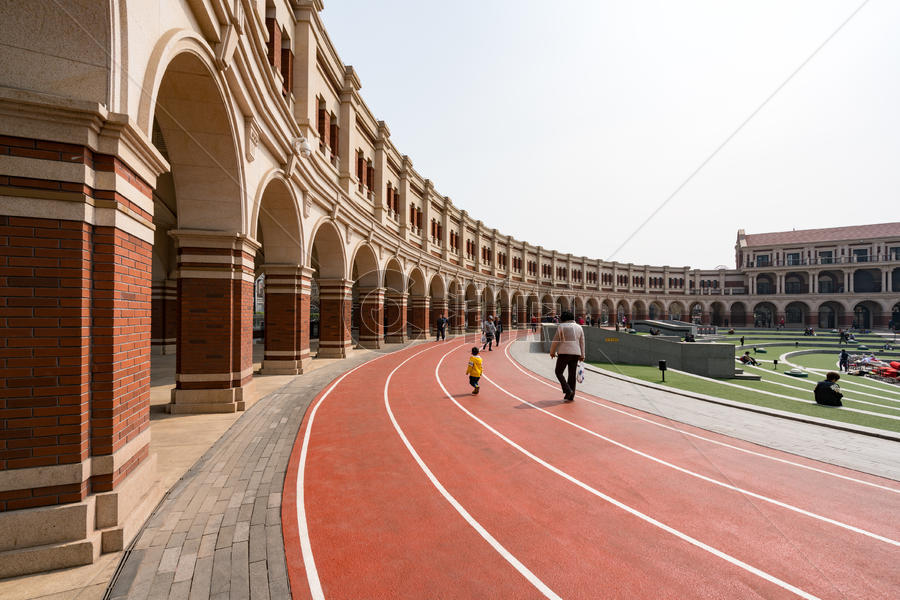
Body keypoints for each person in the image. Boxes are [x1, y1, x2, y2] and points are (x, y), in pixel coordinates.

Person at [549, 311, 585, 402]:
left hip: (564, 352)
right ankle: (571, 396)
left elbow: (555, 340)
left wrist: (552, 352)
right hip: (576, 353)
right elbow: (582, 342)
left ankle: (568, 390)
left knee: (558, 372)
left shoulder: (561, 326)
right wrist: (582, 355)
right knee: (572, 375)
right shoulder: (579, 327)